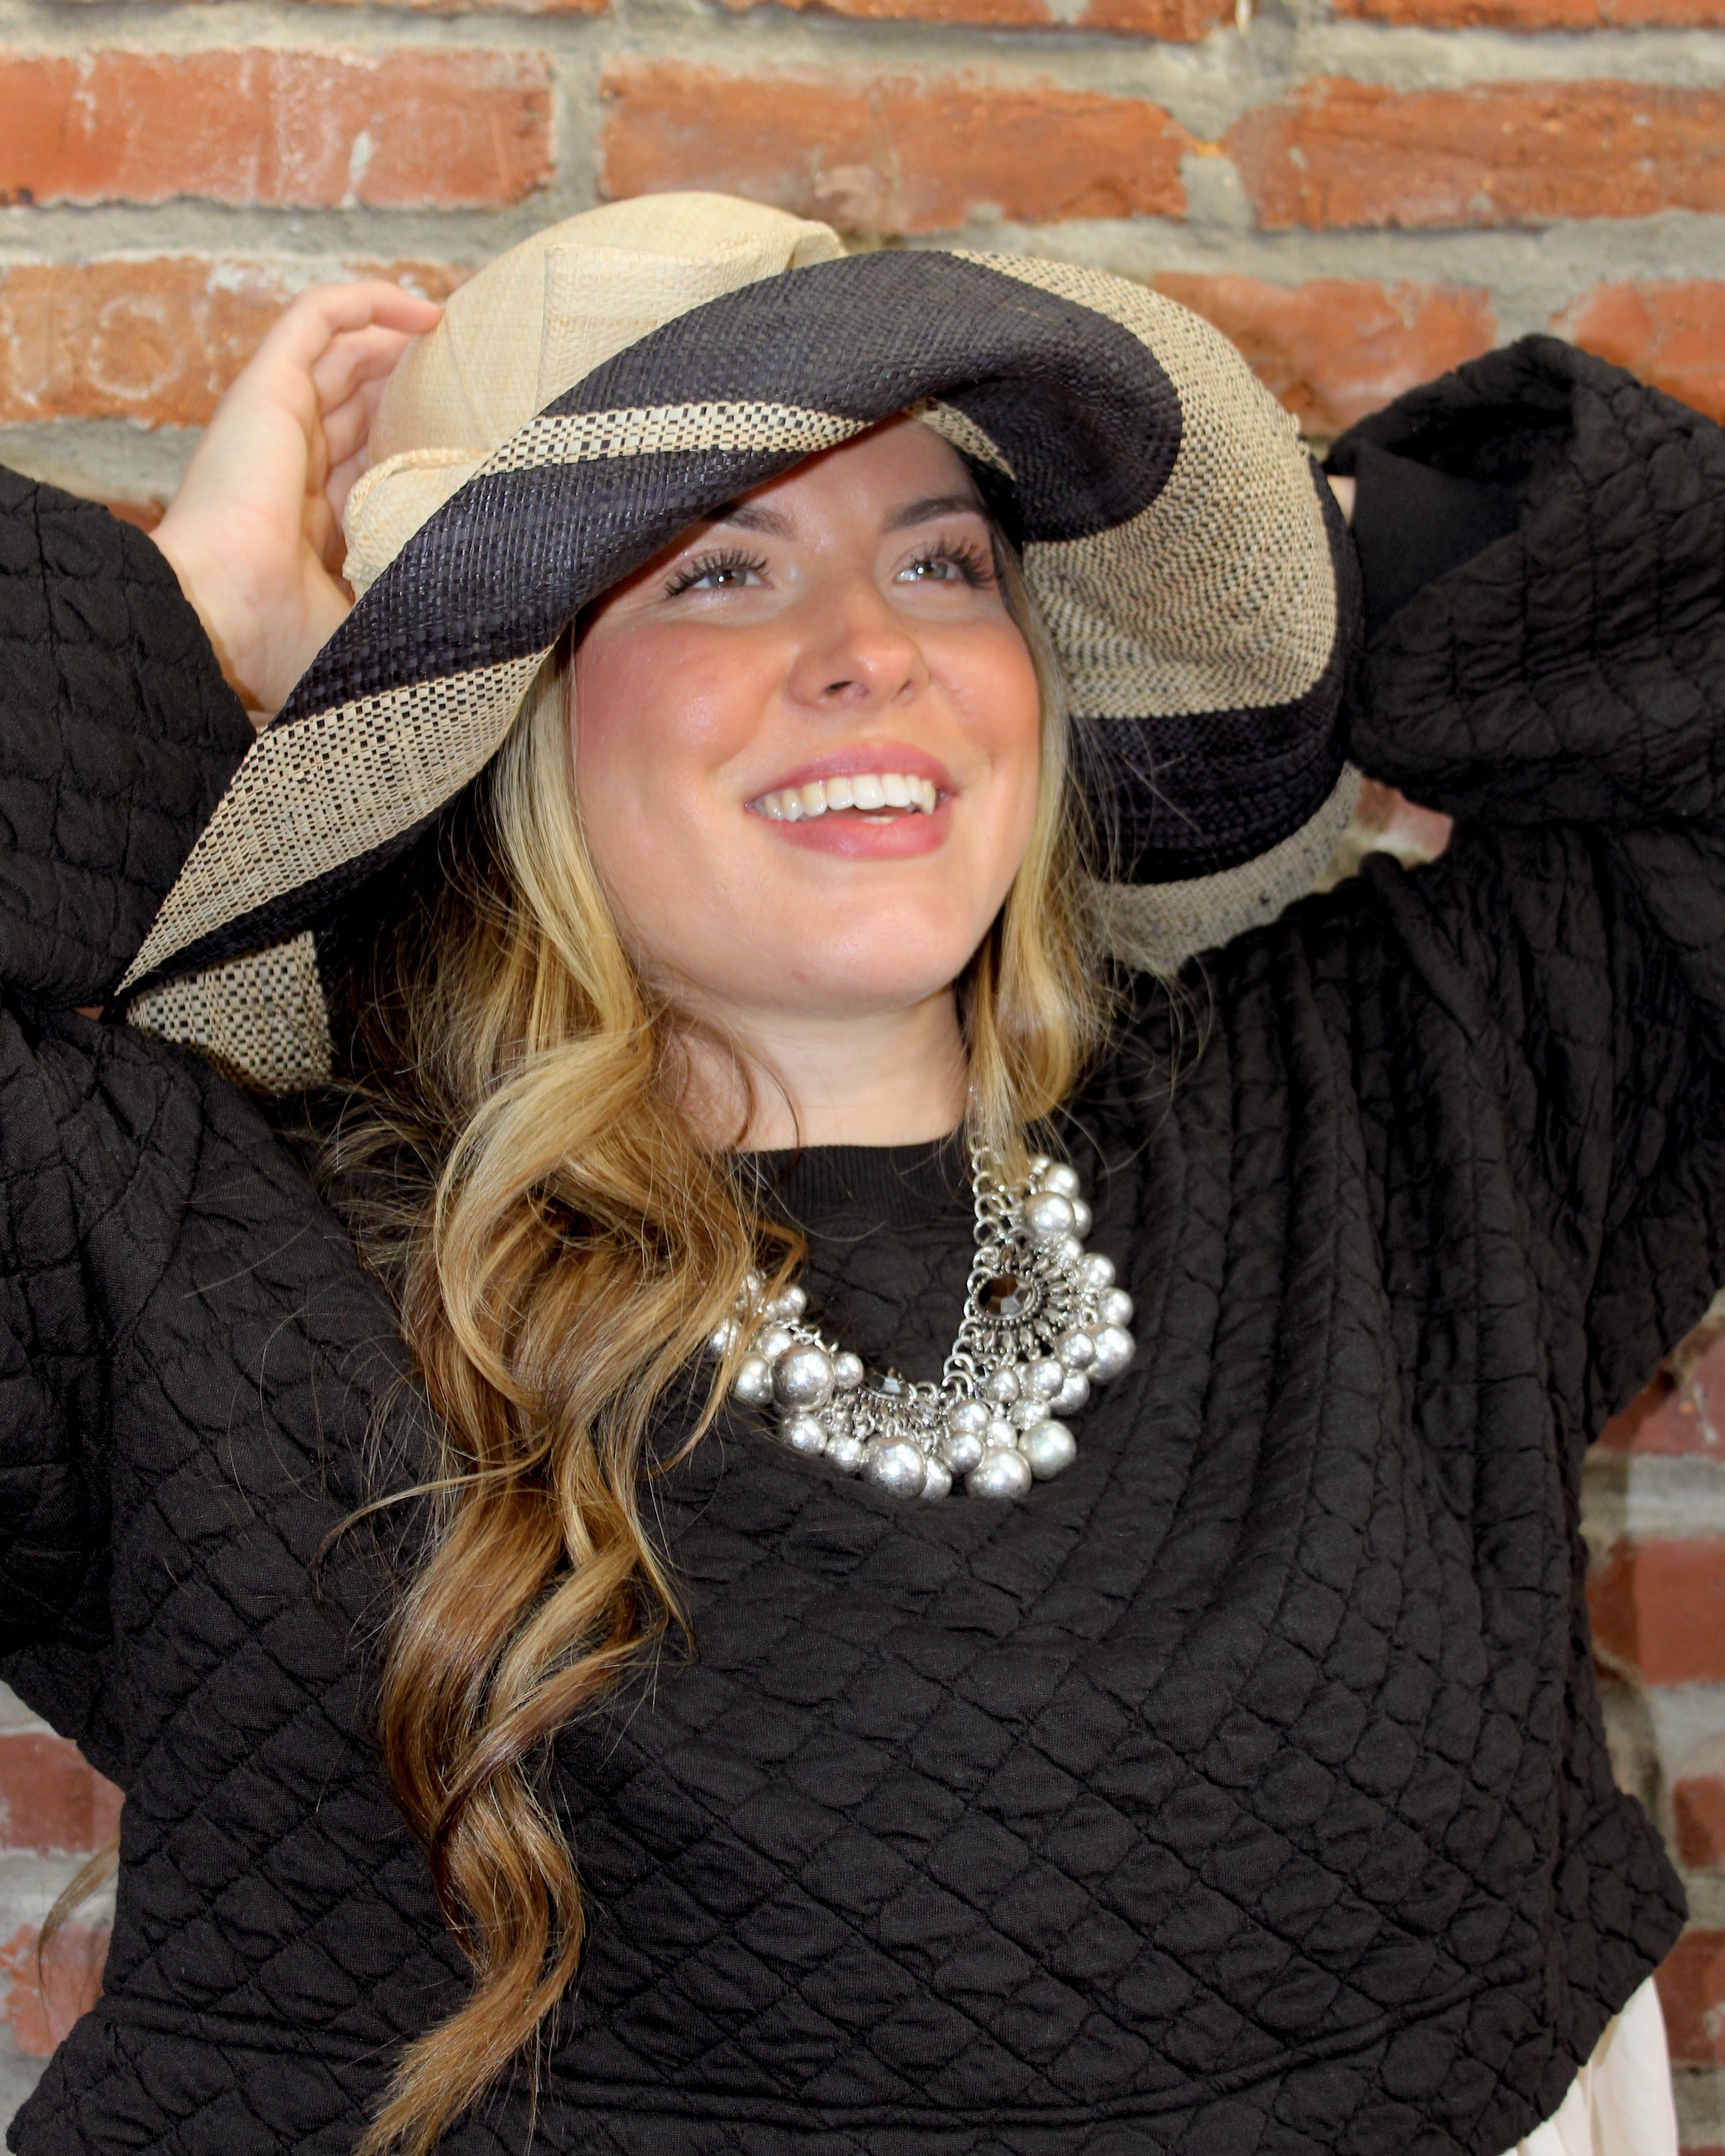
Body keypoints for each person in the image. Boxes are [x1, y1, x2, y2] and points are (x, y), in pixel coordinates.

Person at [0, 190, 1715, 2156]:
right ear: (513, 710)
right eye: (717, 573)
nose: (869, 655)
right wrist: (185, 620)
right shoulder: (209, 1266)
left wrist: (1277, 533)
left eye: (945, 559)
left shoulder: (1389, 1109)